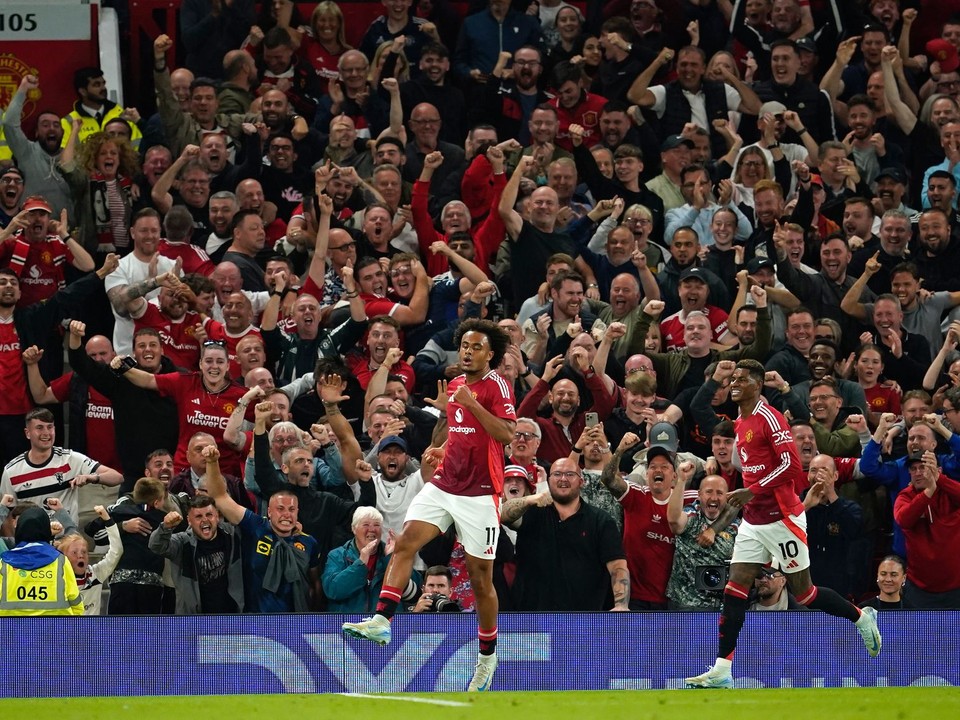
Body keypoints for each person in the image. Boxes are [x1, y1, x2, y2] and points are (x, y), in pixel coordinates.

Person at [342, 318, 516, 693]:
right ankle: (383, 620)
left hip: (481, 493)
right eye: (464, 346)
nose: (468, 352)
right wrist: (443, 446)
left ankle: (487, 656)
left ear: (492, 354)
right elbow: (459, 432)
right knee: (404, 541)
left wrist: (472, 404)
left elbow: (506, 434)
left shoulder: (496, 386)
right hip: (445, 484)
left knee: (480, 579)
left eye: (477, 347)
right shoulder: (454, 385)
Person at [685, 359, 882, 689]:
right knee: (734, 590)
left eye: (742, 380)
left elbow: (792, 467)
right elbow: (698, 407)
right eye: (732, 379)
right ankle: (722, 669)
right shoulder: (739, 421)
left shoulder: (769, 418)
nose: (735, 384)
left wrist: (753, 489)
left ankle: (861, 617)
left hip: (782, 518)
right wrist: (720, 525)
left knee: (804, 594)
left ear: (758, 385)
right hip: (754, 520)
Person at [0, 408, 122, 523]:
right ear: (27, 433)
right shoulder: (12, 472)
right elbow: (8, 518)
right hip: (33, 541)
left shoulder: (70, 459)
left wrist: (92, 477)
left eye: (50, 427)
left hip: (67, 540)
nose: (46, 433)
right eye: (40, 428)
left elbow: (117, 477)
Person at [148, 494, 245, 614]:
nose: (205, 520)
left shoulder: (232, 536)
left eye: (209, 515)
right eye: (198, 516)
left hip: (231, 617)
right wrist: (165, 528)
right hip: (193, 620)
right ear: (189, 520)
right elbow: (156, 546)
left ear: (217, 516)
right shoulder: (182, 543)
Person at [666, 474, 739, 610]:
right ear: (699, 495)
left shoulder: (735, 526)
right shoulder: (692, 514)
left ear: (727, 497)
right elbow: (674, 521)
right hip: (685, 603)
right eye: (709, 492)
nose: (714, 497)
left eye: (719, 493)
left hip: (721, 606)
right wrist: (682, 480)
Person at [0, 506, 82, 616]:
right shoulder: (60, 561)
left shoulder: (3, 563)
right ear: (46, 530)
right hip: (56, 630)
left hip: (11, 630)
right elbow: (76, 602)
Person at [55, 505, 122, 616]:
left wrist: (108, 520)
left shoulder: (96, 574)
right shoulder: (57, 578)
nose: (81, 556)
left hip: (91, 631)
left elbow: (117, 551)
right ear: (63, 556)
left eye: (84, 552)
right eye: (74, 552)